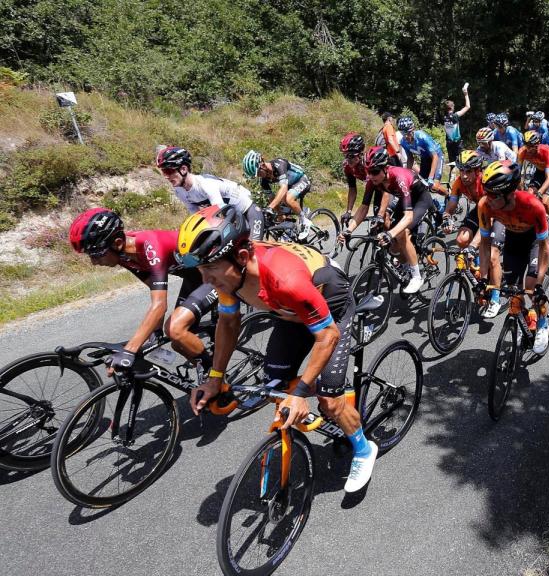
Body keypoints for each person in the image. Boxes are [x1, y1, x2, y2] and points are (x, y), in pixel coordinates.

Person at [180, 205, 377, 493]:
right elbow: (228, 323)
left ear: (242, 257)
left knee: (329, 400)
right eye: (200, 268)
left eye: (209, 268)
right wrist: (215, 378)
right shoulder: (228, 271)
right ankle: (317, 391)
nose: (204, 279)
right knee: (273, 381)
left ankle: (362, 448)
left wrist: (300, 394)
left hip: (329, 307)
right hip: (291, 313)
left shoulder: (284, 279)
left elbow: (327, 335)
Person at [68, 208, 217, 381]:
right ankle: (207, 373)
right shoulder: (124, 256)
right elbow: (155, 291)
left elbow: (160, 305)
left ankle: (216, 379)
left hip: (215, 273)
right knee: (178, 342)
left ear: (117, 243)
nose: (94, 262)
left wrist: (129, 350)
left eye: (96, 254)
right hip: (194, 277)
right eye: (90, 256)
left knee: (175, 329)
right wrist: (155, 330)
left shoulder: (149, 246)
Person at [477, 160, 549, 353]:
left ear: (509, 193)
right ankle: (522, 323)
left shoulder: (533, 206)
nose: (488, 198)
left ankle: (543, 322)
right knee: (514, 292)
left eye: (493, 195)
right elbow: (485, 245)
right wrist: (483, 278)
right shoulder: (486, 205)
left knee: (531, 289)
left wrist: (539, 284)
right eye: (486, 192)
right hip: (513, 241)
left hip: (534, 242)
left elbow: (545, 248)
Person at [343, 147, 433, 294]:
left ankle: (417, 276)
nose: (371, 176)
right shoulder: (373, 180)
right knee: (393, 245)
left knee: (401, 233)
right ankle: (406, 263)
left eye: (375, 172)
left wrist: (390, 234)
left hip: (420, 199)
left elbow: (408, 216)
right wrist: (348, 230)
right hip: (404, 199)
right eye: (368, 172)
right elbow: (364, 208)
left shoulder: (398, 177)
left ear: (385, 168)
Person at [155, 146, 264, 240]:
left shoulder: (205, 184)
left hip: (248, 210)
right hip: (234, 216)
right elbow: (196, 216)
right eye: (163, 172)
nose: (165, 176)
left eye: (168, 171)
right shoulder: (179, 191)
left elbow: (221, 216)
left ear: (183, 169)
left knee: (252, 250)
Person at [444, 150, 503, 318]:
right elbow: (451, 206)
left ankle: (495, 298)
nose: (463, 175)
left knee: (492, 256)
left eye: (468, 171)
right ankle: (478, 268)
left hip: (497, 214)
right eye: (461, 170)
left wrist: (473, 246)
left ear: (477, 171)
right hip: (480, 210)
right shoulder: (458, 183)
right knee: (461, 239)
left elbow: (487, 223)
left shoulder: (486, 183)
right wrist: (446, 218)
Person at [242, 150, 312, 239]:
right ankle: (291, 234)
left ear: (262, 164)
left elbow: (283, 188)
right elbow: (271, 198)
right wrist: (280, 214)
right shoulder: (263, 181)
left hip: (302, 179)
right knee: (279, 213)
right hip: (290, 185)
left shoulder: (279, 164)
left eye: (258, 173)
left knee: (287, 199)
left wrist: (270, 207)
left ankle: (305, 220)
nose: (259, 176)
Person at [397, 116, 445, 188]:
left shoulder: (422, 136)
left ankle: (448, 195)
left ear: (413, 130)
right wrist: (406, 175)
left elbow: (435, 157)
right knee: (422, 184)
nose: (406, 136)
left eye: (408, 133)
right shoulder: (403, 142)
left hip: (437, 155)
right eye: (403, 134)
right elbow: (410, 159)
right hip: (425, 158)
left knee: (434, 186)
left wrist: (431, 177)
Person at [442, 83, 471, 163]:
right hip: (457, 142)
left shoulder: (444, 117)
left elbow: (445, 129)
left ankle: (452, 175)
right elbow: (468, 106)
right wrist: (466, 94)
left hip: (449, 142)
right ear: (452, 107)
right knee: (460, 161)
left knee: (452, 162)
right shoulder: (455, 115)